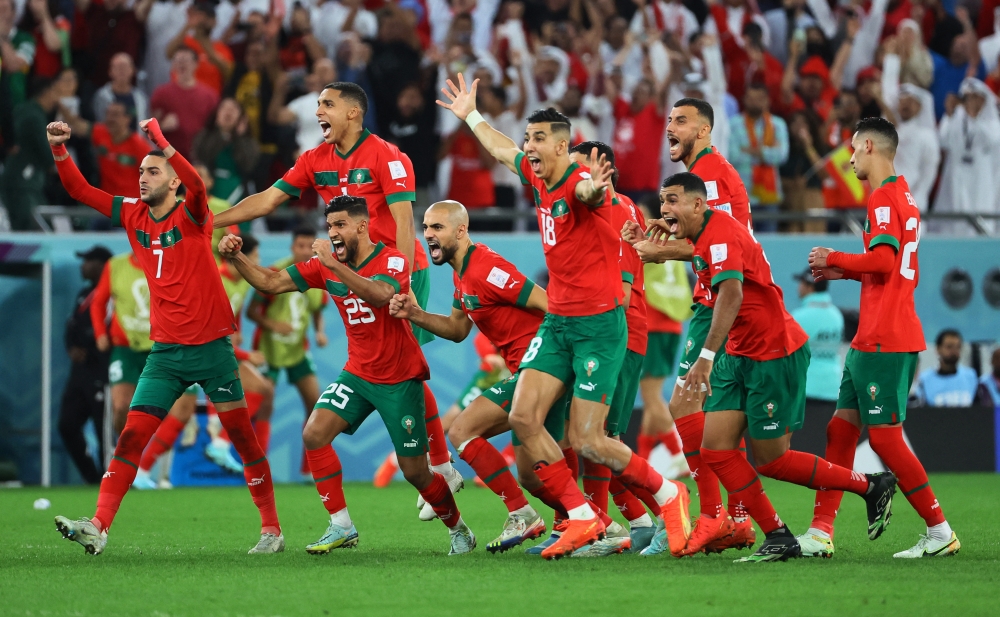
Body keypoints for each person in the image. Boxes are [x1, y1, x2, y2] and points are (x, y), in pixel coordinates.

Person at [438, 74, 689, 561]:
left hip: (598, 326)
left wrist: (596, 189)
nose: (528, 147)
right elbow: (499, 148)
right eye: (528, 138)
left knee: (589, 439)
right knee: (523, 418)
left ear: (559, 146)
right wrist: (470, 115)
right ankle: (580, 517)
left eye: (537, 139)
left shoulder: (577, 182)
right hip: (559, 324)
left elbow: (588, 198)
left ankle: (667, 496)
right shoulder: (536, 175)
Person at [214, 81, 462, 498]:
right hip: (354, 272)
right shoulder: (314, 159)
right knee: (396, 365)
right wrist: (209, 221)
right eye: (317, 105)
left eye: (327, 104)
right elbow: (268, 200)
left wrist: (401, 283)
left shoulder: (388, 156)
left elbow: (404, 222)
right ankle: (439, 467)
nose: (317, 112)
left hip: (398, 270)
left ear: (353, 112)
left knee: (405, 365)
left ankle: (440, 466)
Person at [47, 118, 282, 555]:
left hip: (212, 350)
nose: (142, 177)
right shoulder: (132, 214)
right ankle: (98, 525)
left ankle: (271, 530)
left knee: (243, 439)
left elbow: (195, 181)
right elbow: (80, 191)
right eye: (140, 171)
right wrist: (60, 149)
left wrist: (164, 144)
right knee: (131, 437)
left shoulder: (194, 214)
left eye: (152, 171)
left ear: (173, 181)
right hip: (166, 354)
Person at [218, 195, 476, 556]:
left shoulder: (392, 259)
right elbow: (271, 283)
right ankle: (341, 524)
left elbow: (382, 294)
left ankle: (458, 529)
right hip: (357, 374)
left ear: (362, 225)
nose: (333, 233)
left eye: (340, 225)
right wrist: (237, 258)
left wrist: (332, 266)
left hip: (399, 378)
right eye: (329, 226)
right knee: (314, 434)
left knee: (415, 472)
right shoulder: (326, 264)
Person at [661, 171, 897, 563]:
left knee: (772, 461)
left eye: (673, 200)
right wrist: (657, 245)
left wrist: (705, 358)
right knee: (717, 449)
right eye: (662, 201)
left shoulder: (719, 233)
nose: (665, 208)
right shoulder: (702, 235)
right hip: (739, 355)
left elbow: (731, 294)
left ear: (698, 204)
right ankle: (777, 534)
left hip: (774, 354)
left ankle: (870, 485)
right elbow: (698, 255)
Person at [806, 116, 960, 559]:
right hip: (873, 336)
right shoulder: (903, 195)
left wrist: (833, 255)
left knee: (886, 438)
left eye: (854, 148)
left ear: (870, 146)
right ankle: (820, 531)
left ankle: (939, 529)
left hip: (885, 338)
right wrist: (842, 270)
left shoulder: (881, 197)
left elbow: (884, 261)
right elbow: (882, 267)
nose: (850, 157)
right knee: (840, 429)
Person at [622, 97, 756, 556]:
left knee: (681, 405)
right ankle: (735, 519)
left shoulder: (713, 176)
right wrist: (657, 233)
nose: (670, 128)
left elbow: (723, 247)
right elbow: (702, 235)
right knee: (713, 420)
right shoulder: (705, 178)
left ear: (703, 131)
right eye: (669, 120)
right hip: (714, 301)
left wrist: (659, 251)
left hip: (717, 302)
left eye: (680, 121)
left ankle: (713, 514)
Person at [389, 200, 555, 554]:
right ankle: (611, 523)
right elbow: (456, 329)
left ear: (461, 230)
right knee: (532, 471)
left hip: (542, 368)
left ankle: (523, 513)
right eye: (427, 228)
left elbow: (548, 304)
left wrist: (551, 362)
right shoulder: (461, 273)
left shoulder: (486, 268)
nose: (429, 235)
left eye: (438, 228)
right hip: (532, 371)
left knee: (462, 430)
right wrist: (414, 314)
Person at [247, 227, 329, 473]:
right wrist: (273, 324)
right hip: (268, 350)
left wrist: (319, 331)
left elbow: (316, 310)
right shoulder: (274, 274)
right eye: (300, 246)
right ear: (292, 247)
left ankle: (310, 469)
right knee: (264, 404)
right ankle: (257, 466)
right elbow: (251, 311)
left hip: (297, 351)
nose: (304, 251)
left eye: (309, 247)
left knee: (316, 404)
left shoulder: (319, 275)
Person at [59, 245, 112, 485]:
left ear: (101, 264)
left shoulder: (113, 295)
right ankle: (92, 477)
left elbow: (110, 332)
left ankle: (111, 481)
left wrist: (88, 348)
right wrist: (72, 348)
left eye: (87, 261)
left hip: (103, 370)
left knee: (105, 431)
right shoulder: (83, 294)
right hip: (79, 373)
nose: (83, 266)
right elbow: (71, 328)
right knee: (67, 424)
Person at [936, 78, 1000, 234]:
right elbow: (942, 140)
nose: (969, 101)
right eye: (966, 96)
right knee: (953, 222)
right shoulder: (957, 118)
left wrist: (973, 117)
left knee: (979, 224)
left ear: (982, 99)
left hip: (980, 182)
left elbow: (992, 140)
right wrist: (949, 114)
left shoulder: (992, 122)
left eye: (973, 97)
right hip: (955, 179)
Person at [0, 75, 62, 230]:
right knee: (33, 227)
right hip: (25, 183)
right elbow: (48, 155)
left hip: (13, 176)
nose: (57, 100)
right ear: (47, 92)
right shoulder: (34, 116)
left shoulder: (23, 109)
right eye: (56, 93)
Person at [728, 82, 789, 233]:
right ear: (744, 100)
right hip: (742, 194)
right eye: (750, 98)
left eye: (759, 98)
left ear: (767, 100)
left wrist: (753, 151)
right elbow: (732, 156)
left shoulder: (777, 125)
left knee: (769, 247)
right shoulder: (733, 124)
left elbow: (782, 155)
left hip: (770, 196)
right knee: (742, 243)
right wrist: (767, 153)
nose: (754, 102)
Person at [149, 46, 220, 159]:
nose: (182, 64)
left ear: (196, 64)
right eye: (178, 60)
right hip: (168, 158)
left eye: (186, 60)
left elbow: (216, 130)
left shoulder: (210, 96)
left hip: (199, 158)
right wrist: (162, 126)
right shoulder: (161, 94)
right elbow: (149, 131)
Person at [191, 98, 260, 205]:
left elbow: (248, 165)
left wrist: (239, 137)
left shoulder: (247, 142)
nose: (228, 112)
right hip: (210, 186)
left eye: (233, 109)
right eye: (224, 108)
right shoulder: (204, 138)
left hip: (238, 190)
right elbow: (201, 158)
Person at [790, 267, 844, 404]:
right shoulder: (837, 315)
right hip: (833, 388)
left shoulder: (798, 317)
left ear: (809, 286)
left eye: (801, 283)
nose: (798, 288)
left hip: (806, 390)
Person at [91, 101, 149, 199]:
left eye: (115, 115)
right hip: (105, 203)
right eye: (108, 114)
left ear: (127, 119)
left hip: (131, 206)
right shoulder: (100, 134)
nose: (110, 119)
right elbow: (79, 126)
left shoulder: (139, 146)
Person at [915, 329, 979, 407]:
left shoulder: (970, 376)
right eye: (949, 347)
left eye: (957, 347)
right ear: (938, 349)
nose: (954, 351)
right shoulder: (924, 379)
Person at [92, 53, 149, 129]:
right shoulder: (101, 97)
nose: (122, 71)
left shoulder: (141, 98)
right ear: (110, 71)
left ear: (133, 70)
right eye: (118, 67)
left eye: (125, 67)